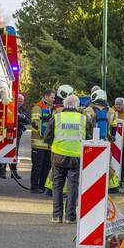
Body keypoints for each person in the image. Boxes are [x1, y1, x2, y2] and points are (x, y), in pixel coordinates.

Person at [44, 94, 92, 223]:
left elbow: (47, 137)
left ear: (65, 104)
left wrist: (53, 145)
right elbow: (89, 138)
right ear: (77, 105)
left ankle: (57, 216)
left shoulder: (57, 117)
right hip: (76, 156)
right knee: (73, 186)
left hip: (58, 155)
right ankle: (70, 217)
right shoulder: (84, 119)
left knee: (57, 186)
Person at [29, 89, 55, 193]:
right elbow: (35, 124)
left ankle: (42, 187)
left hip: (47, 145)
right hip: (38, 144)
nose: (54, 99)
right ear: (46, 96)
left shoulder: (50, 108)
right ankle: (34, 187)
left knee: (46, 167)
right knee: (37, 167)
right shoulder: (37, 108)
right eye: (52, 97)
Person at [11, 93, 29, 180]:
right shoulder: (10, 106)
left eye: (21, 101)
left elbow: (28, 121)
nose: (20, 103)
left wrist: (23, 117)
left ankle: (14, 172)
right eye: (18, 101)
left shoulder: (23, 109)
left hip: (17, 133)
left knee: (15, 153)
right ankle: (3, 171)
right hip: (8, 132)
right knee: (5, 152)